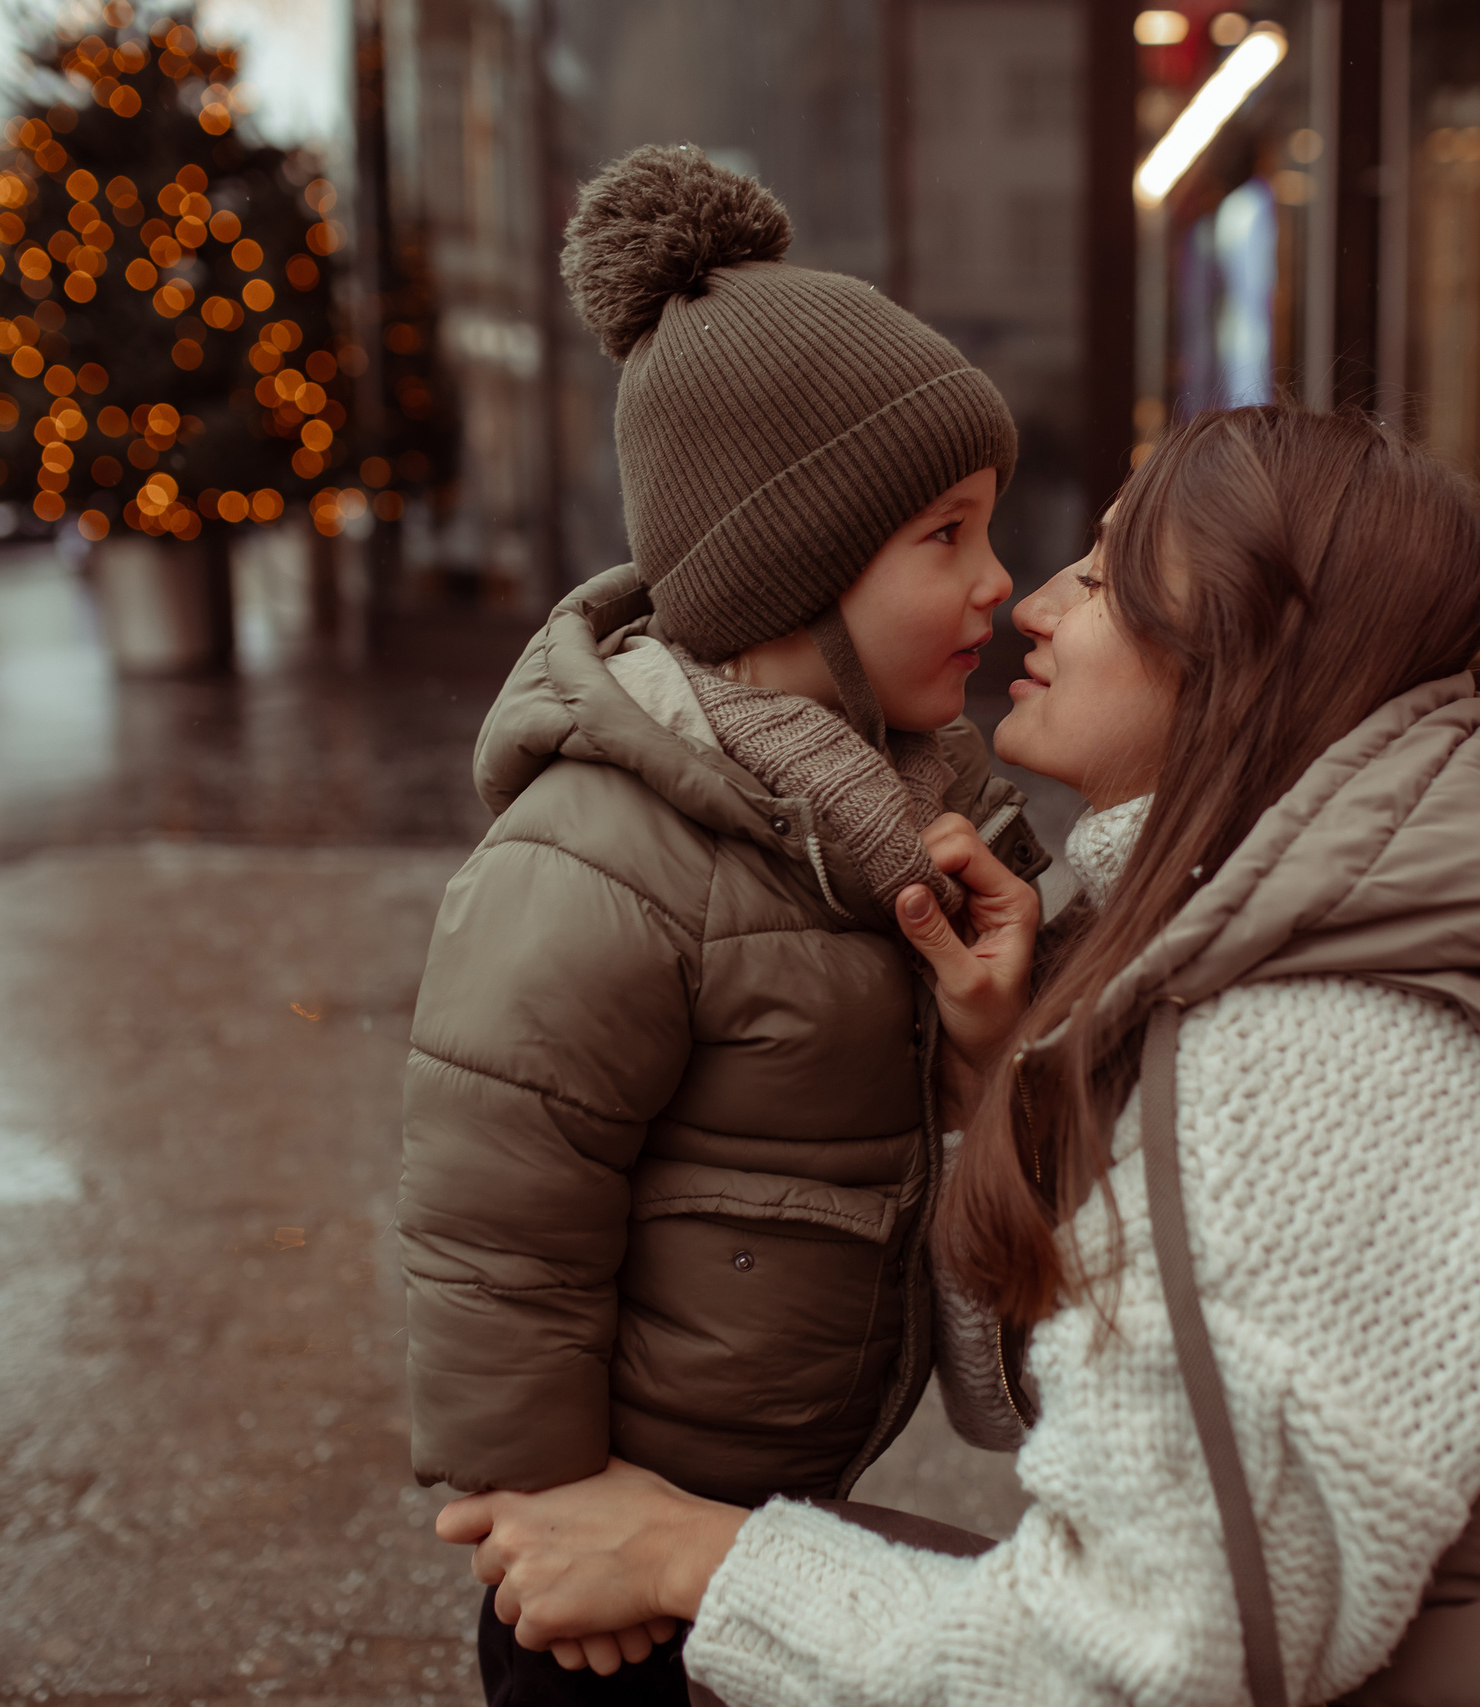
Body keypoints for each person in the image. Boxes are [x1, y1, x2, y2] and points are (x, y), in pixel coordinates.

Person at [435, 406, 1480, 1706]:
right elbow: (1059, 1409)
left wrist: (694, 1556)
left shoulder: (1330, 1046)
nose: (1033, 598)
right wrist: (997, 1076)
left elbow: (1147, 1658)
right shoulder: (1326, 916)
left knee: (709, 1645)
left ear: (1245, 646)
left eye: (1107, 574)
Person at [398, 143, 1048, 1706]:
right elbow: (498, 1226)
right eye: (944, 536)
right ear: (791, 571)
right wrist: (553, 1504)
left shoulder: (919, 812)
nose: (1002, 583)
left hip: (768, 1526)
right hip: (609, 1556)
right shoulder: (605, 851)